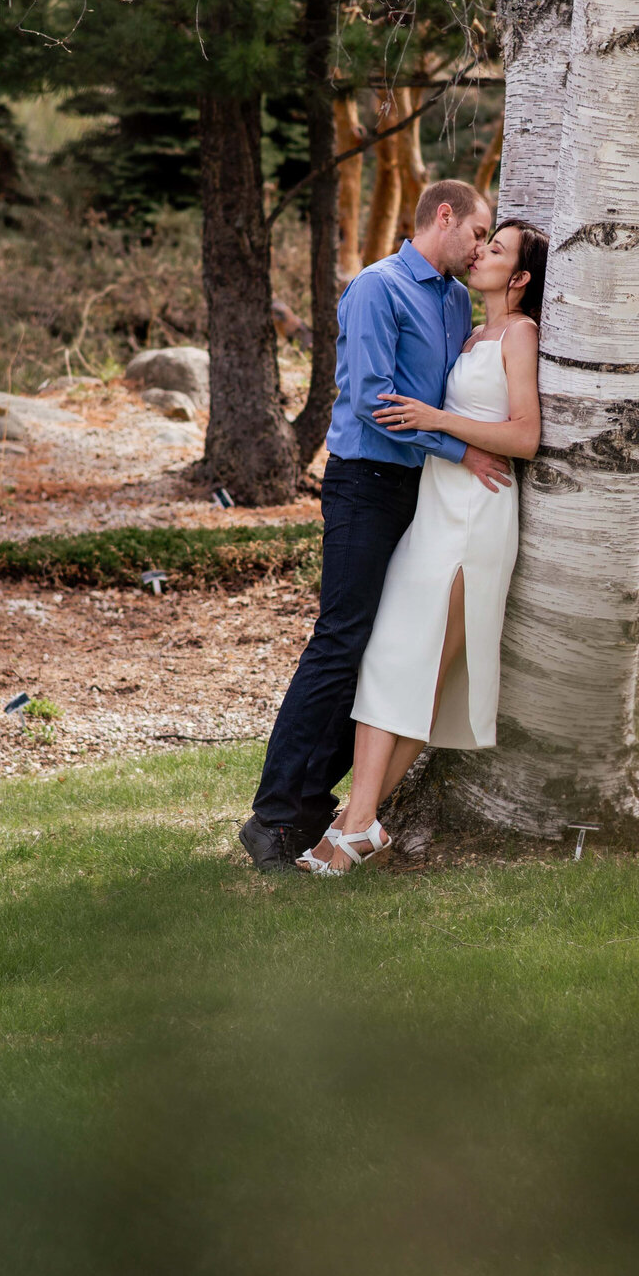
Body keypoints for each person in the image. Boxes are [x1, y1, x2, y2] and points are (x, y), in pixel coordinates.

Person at [237, 179, 504, 874]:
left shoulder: (451, 297)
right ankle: (274, 815)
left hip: (420, 492)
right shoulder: (377, 287)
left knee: (381, 648)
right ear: (442, 216)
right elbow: (372, 398)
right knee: (341, 639)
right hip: (364, 485)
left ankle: (315, 805)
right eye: (478, 233)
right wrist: (462, 449)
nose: (480, 249)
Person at [296, 219, 549, 875]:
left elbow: (523, 437)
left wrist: (437, 419)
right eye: (482, 241)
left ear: (519, 279)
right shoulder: (469, 330)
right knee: (394, 664)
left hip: (474, 515)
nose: (480, 253)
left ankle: (355, 826)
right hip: (434, 509)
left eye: (495, 250)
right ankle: (361, 820)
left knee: (419, 669)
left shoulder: (520, 334)